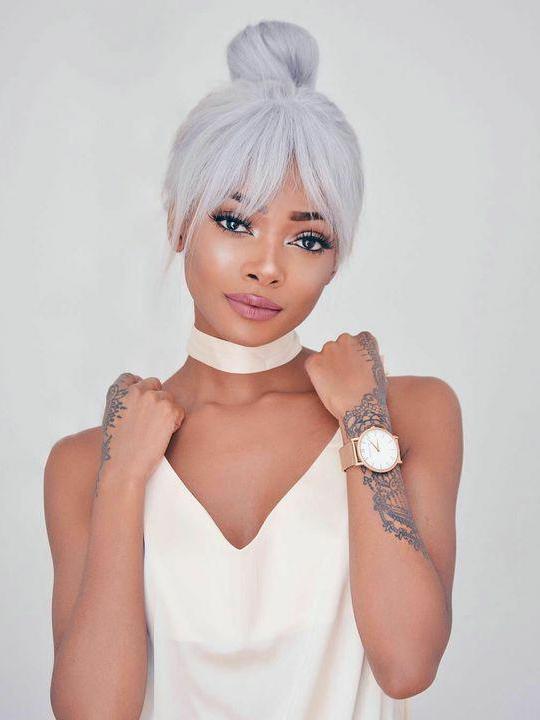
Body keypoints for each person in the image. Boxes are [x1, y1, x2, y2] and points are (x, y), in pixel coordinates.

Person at [44, 19, 463, 720]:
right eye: (235, 222)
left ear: (337, 258)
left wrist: (363, 422)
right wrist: (122, 479)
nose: (267, 266)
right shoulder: (85, 462)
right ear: (179, 221)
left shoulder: (410, 414)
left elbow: (406, 664)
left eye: (308, 238)